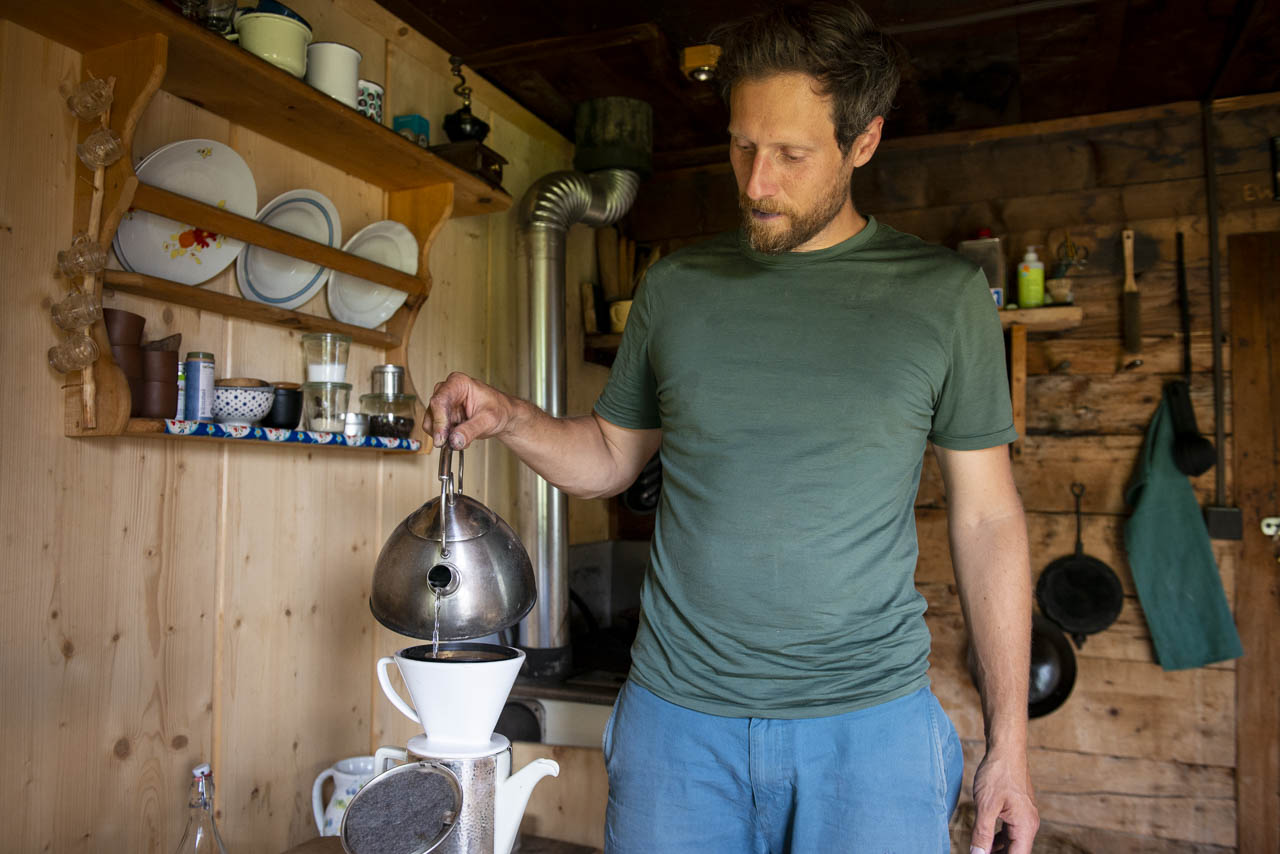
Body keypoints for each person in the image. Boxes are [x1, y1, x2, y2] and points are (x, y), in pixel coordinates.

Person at [427, 3, 1039, 852]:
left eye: (791, 155)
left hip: (870, 731)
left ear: (863, 143)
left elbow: (987, 517)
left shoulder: (942, 297)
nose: (756, 182)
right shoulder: (677, 288)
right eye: (743, 146)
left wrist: (1010, 743)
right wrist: (511, 418)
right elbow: (608, 458)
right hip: (679, 730)